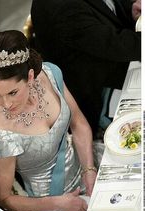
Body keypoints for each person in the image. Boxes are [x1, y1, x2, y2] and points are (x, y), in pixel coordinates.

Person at [0, 30, 97, 211]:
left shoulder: (49, 74)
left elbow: (79, 124)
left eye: (12, 92)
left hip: (87, 163)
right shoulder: (0, 131)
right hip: (57, 204)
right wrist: (60, 203)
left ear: (30, 76)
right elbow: (3, 199)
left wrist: (89, 169)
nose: (6, 104)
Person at [31, 0, 141, 136]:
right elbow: (114, 44)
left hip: (115, 64)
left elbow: (108, 8)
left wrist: (130, 10)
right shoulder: (63, 7)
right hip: (96, 93)